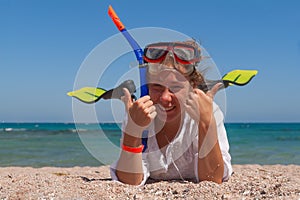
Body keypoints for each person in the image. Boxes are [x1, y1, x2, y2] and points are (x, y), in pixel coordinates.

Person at [110, 40, 233, 185]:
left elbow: (212, 179)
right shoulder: (139, 114)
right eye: (157, 87)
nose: (165, 98)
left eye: (175, 87)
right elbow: (130, 181)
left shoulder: (209, 111)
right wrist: (133, 131)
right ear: (147, 86)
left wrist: (206, 124)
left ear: (192, 86)